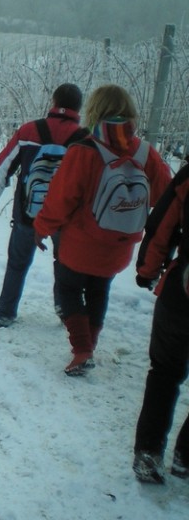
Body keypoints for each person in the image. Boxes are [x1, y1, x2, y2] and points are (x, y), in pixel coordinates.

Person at [34, 84, 171, 376]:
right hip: (120, 247)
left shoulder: (85, 150)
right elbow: (166, 199)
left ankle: (81, 349)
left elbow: (60, 199)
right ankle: (90, 345)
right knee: (99, 290)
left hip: (80, 245)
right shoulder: (147, 154)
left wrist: (41, 228)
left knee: (67, 287)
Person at [0, 83, 89, 327]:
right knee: (65, 265)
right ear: (79, 107)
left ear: (53, 101)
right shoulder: (84, 138)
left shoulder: (29, 130)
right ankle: (65, 311)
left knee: (17, 262)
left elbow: (3, 165)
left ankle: (5, 313)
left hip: (28, 213)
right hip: (66, 219)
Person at [131, 164, 189, 483]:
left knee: (164, 373)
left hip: (180, 293)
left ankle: (148, 454)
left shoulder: (187, 178)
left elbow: (161, 227)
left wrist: (147, 270)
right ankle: (186, 456)